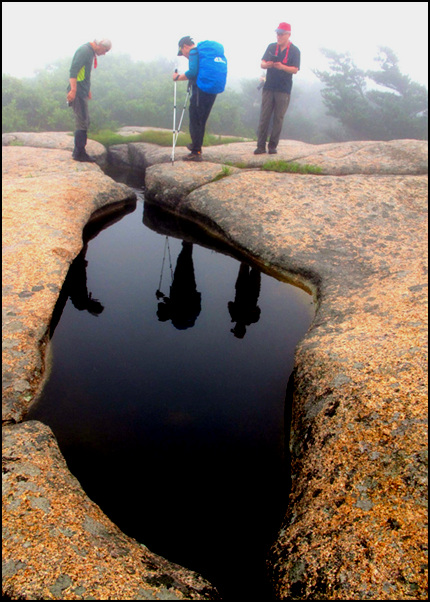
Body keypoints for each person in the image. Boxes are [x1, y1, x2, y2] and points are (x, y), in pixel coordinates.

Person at [173, 36, 227, 162]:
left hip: (201, 88)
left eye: (182, 52)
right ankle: (196, 146)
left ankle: (196, 151)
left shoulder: (193, 51)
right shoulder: (207, 53)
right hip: (213, 88)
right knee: (202, 119)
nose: (184, 55)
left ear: (185, 46)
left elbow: (192, 72)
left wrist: (177, 77)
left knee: (195, 118)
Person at [254, 23, 300, 155]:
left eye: (281, 34)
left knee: (278, 118)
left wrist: (282, 67)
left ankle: (272, 146)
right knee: (264, 116)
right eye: (277, 33)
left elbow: (295, 69)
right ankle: (260, 146)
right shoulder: (271, 47)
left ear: (288, 34)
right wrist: (267, 64)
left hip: (283, 89)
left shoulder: (295, 50)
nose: (278, 36)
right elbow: (262, 63)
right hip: (269, 87)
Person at [67, 39, 112, 162]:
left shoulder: (90, 52)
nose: (105, 53)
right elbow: (74, 70)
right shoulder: (85, 51)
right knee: (82, 121)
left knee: (85, 120)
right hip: (78, 91)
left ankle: (80, 151)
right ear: (100, 46)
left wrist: (88, 90)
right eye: (105, 50)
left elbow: (85, 74)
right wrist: (73, 90)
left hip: (82, 90)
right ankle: (79, 153)